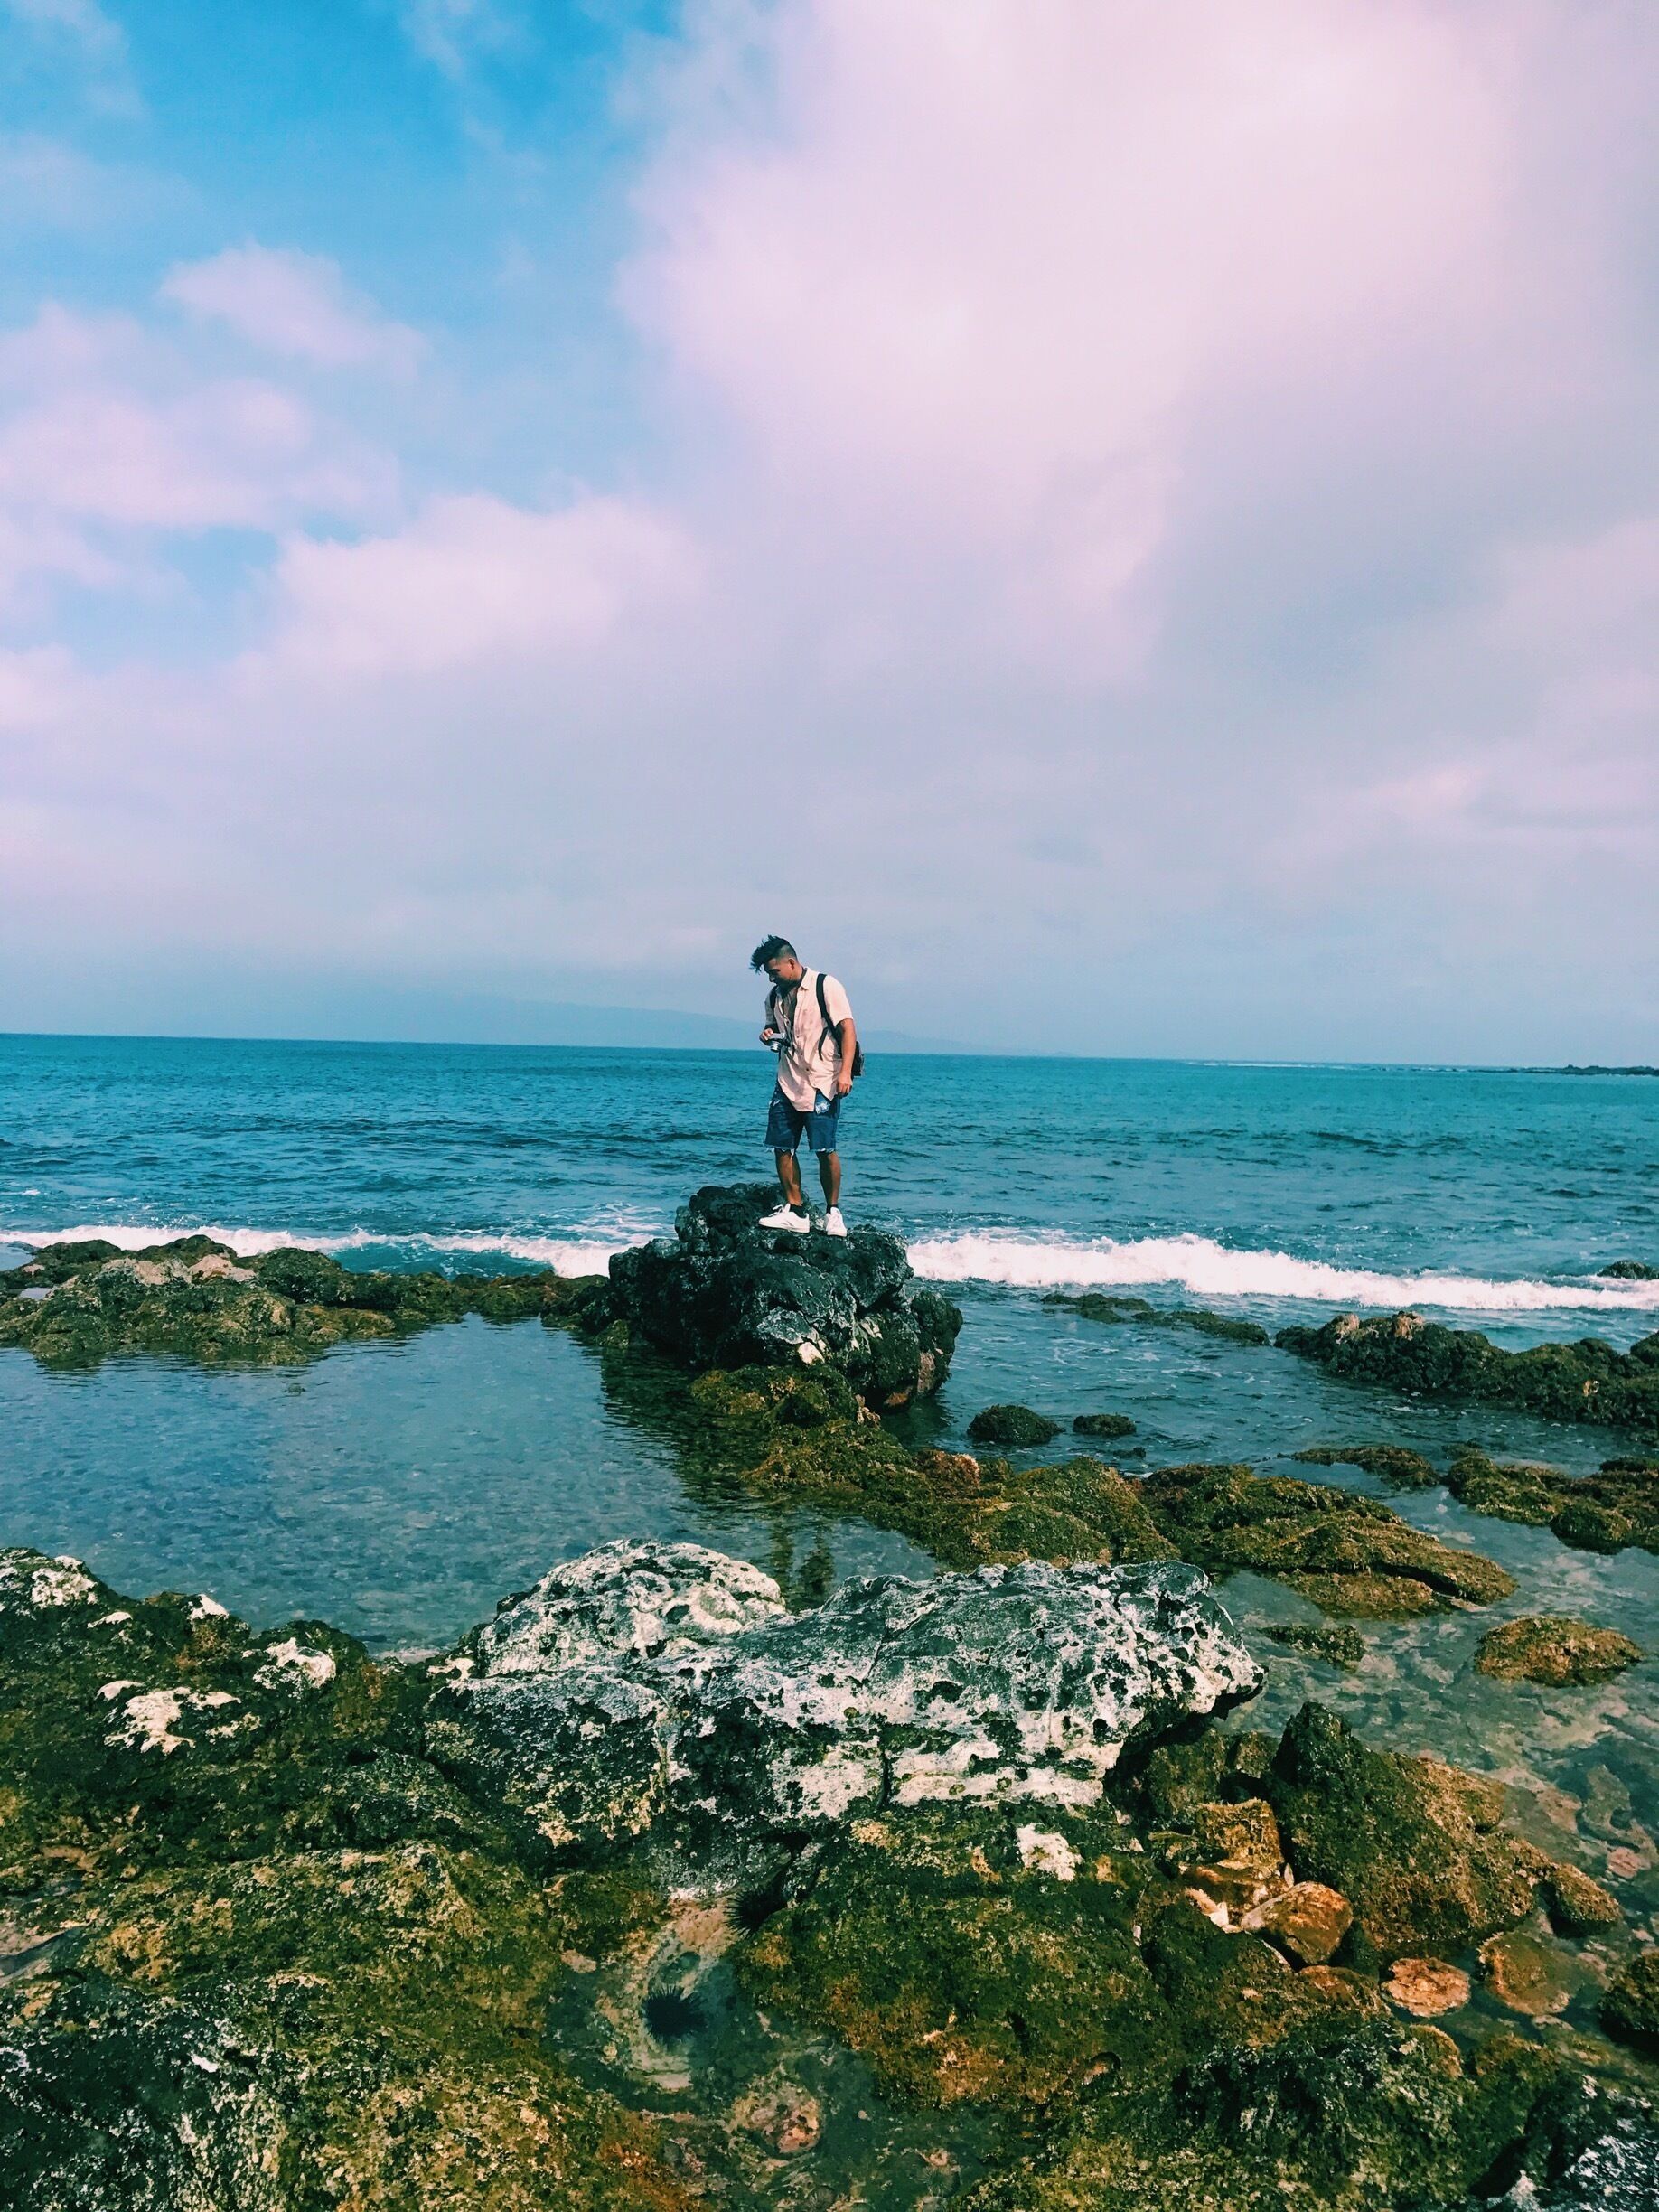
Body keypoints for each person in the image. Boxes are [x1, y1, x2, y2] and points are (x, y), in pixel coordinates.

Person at [750, 934, 857, 1234]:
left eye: (774, 972)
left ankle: (833, 1212)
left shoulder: (826, 986)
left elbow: (848, 1029)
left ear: (791, 962)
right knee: (781, 1146)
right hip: (788, 1079)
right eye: (768, 974)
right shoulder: (774, 996)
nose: (772, 978)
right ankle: (795, 1211)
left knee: (824, 1148)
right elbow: (773, 1026)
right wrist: (767, 1034)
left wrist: (845, 1072)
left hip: (823, 1080)